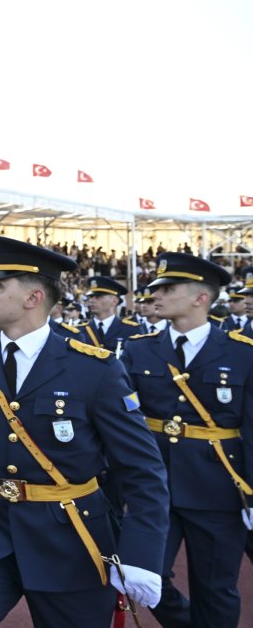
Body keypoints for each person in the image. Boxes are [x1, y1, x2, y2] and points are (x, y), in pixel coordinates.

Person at [0, 236, 170, 627]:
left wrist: (143, 554)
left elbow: (142, 468)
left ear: (33, 297)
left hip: (70, 535)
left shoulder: (94, 370)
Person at [121, 252, 253, 628]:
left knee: (216, 587)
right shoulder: (139, 349)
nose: (155, 295)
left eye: (167, 288)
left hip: (218, 489)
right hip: (153, 486)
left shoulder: (242, 353)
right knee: (146, 576)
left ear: (201, 298)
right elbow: (124, 422)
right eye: (155, 288)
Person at [83, 276, 141, 351]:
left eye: (98, 297)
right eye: (90, 297)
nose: (91, 301)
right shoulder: (79, 331)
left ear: (114, 301)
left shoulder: (132, 330)